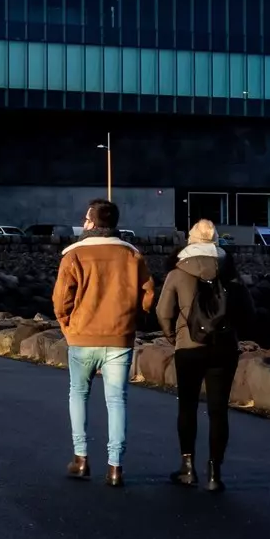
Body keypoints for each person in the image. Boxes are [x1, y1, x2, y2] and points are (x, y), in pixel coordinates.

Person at [52, 198, 156, 487]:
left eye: (86, 218)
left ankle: (81, 458)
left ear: (94, 222)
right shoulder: (132, 255)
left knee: (78, 394)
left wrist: (68, 326)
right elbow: (148, 294)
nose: (84, 223)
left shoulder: (73, 254)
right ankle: (115, 466)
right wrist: (133, 319)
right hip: (119, 337)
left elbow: (61, 299)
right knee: (117, 401)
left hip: (82, 336)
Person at [154, 218, 254, 493]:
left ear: (191, 240)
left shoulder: (177, 272)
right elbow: (248, 310)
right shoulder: (229, 271)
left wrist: (174, 338)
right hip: (224, 348)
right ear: (216, 240)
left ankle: (188, 469)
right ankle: (214, 472)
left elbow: (163, 312)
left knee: (187, 407)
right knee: (218, 410)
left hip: (189, 348)